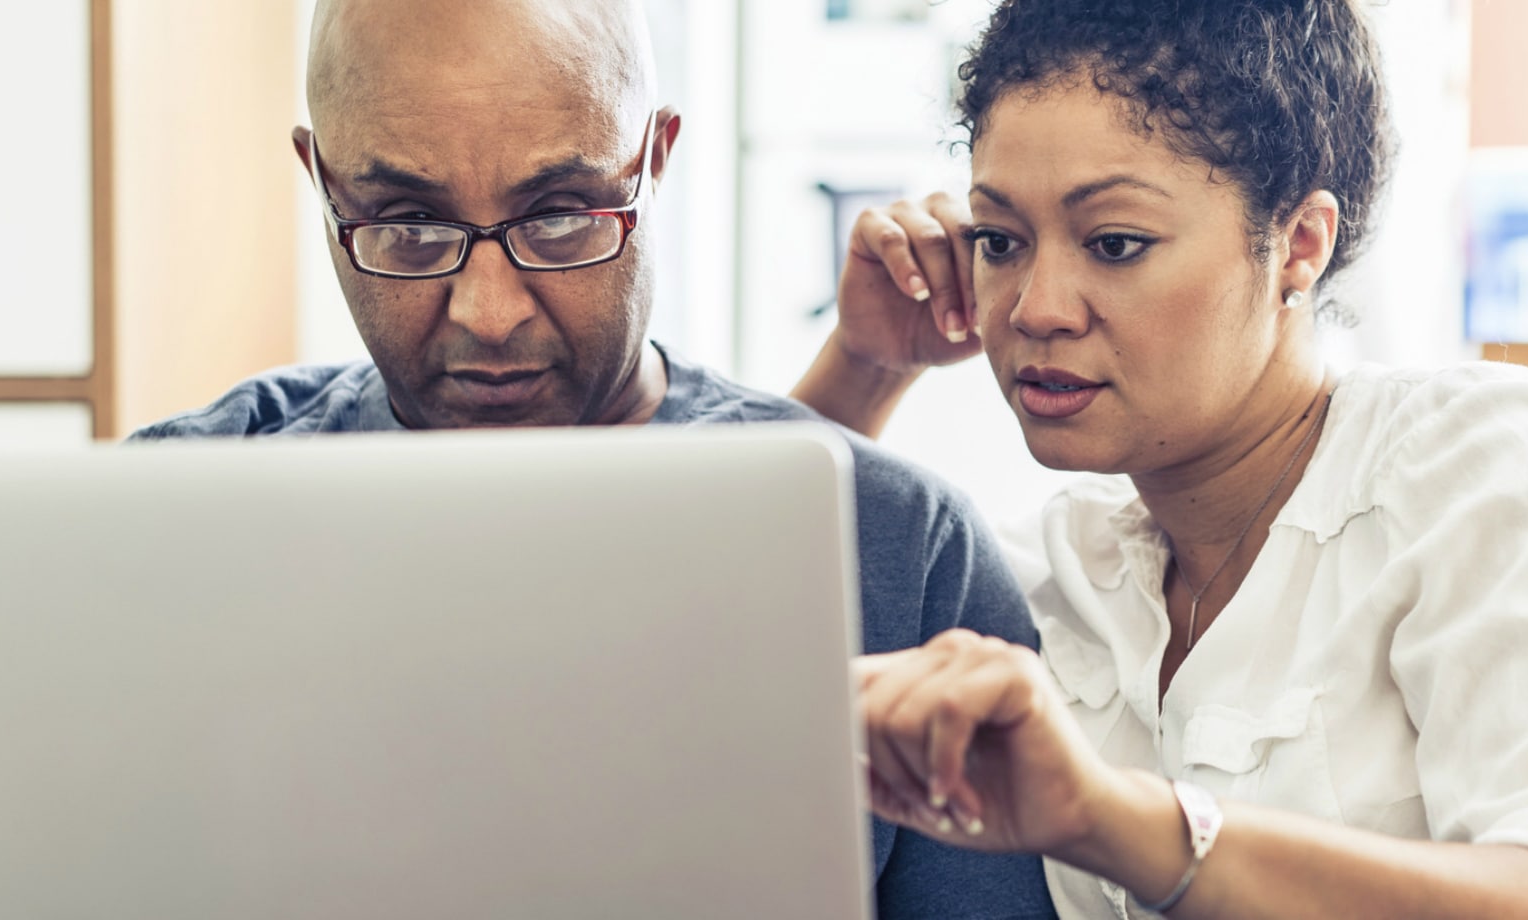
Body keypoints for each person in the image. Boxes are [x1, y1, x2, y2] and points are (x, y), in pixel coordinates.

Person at [793, 0, 1528, 917]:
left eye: (1115, 243)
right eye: (999, 239)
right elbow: (729, 673)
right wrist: (865, 367)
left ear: (1298, 243)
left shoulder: (1495, 469)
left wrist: (1114, 816)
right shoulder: (1060, 580)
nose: (1034, 307)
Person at [131, 1, 1054, 916]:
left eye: (562, 216)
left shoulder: (904, 555)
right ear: (322, 181)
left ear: (656, 159)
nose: (488, 315)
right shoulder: (166, 516)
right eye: (408, 226)